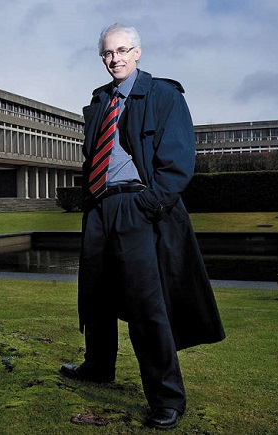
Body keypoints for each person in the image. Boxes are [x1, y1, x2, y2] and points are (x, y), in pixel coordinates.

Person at [60, 23, 225, 430]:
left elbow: (179, 162)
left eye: (120, 51)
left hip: (137, 205)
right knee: (95, 294)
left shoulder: (164, 95)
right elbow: (93, 156)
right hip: (99, 206)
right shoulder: (100, 100)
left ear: (137, 53)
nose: (113, 59)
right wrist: (90, 200)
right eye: (106, 53)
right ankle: (98, 366)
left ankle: (168, 398)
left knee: (145, 304)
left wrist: (147, 206)